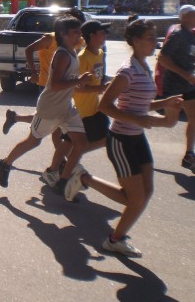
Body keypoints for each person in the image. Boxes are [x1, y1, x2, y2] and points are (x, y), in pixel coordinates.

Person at [65, 16, 182, 257]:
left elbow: (141, 103)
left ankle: (116, 237)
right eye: (150, 38)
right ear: (136, 41)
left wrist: (166, 104)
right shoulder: (127, 71)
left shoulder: (144, 67)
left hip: (137, 138)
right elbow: (105, 106)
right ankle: (86, 182)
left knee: (145, 193)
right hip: (121, 140)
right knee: (135, 199)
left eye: (155, 37)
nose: (155, 41)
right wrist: (137, 119)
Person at [0, 16, 93, 192]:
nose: (79, 35)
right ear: (63, 34)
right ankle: (5, 163)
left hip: (65, 107)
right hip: (50, 107)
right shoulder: (62, 55)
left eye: (80, 31)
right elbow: (54, 85)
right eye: (75, 32)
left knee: (80, 141)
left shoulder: (72, 51)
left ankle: (61, 179)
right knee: (33, 141)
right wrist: (78, 81)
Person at [43, 20, 111, 192]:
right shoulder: (81, 58)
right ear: (92, 36)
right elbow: (77, 87)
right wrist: (100, 88)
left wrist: (107, 84)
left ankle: (56, 171)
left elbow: (96, 79)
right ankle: (69, 170)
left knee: (69, 143)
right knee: (103, 140)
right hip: (81, 110)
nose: (106, 35)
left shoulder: (101, 53)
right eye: (102, 32)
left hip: (93, 108)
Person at [157, 4, 195, 173]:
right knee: (170, 122)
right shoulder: (178, 34)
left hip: (188, 84)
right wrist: (185, 74)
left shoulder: (190, 34)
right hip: (176, 86)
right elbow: (163, 58)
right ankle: (137, 122)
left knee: (193, 119)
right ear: (185, 17)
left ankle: (189, 154)